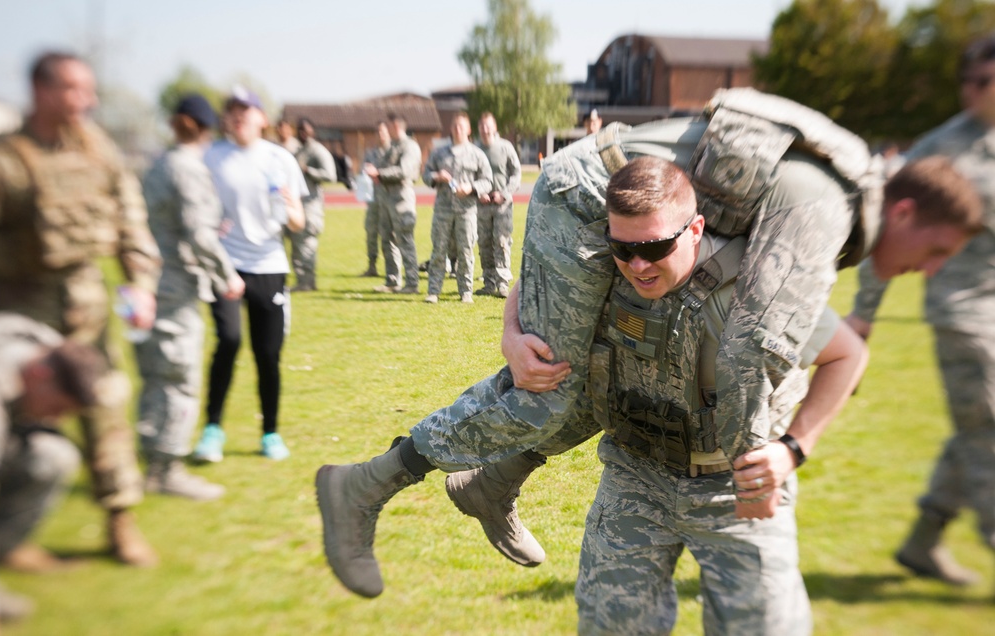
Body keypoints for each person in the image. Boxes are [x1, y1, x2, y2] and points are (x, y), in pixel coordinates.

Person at [316, 88, 983, 598]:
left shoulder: (827, 192)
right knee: (543, 390)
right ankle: (364, 485)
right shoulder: (825, 205)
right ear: (902, 213)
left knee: (627, 372)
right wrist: (752, 469)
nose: (930, 270)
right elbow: (759, 346)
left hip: (633, 218)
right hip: (592, 199)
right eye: (936, 251)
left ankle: (495, 481)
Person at [574, 158, 865, 634]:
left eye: (656, 246)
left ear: (695, 229)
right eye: (623, 247)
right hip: (636, 477)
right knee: (610, 626)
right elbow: (535, 286)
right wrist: (512, 336)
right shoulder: (611, 268)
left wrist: (793, 449)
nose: (638, 264)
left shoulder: (755, 290)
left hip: (737, 488)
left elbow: (847, 355)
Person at [0, 51, 161, 567]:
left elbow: (129, 214)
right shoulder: (8, 159)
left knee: (106, 407)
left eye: (88, 89)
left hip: (86, 304)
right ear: (42, 91)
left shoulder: (99, 149)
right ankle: (11, 535)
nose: (86, 100)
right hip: (23, 306)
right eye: (73, 89)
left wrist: (141, 280)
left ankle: (120, 520)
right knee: (19, 422)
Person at [848, 35, 995, 587]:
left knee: (976, 423)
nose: (971, 91)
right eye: (968, 80)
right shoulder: (943, 150)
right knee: (988, 421)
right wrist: (863, 314)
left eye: (984, 80)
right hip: (963, 309)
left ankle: (924, 540)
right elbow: (888, 228)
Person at [136, 94, 244, 500]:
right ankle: (167, 469)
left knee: (155, 375)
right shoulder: (188, 167)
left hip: (148, 285)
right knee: (178, 376)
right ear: (204, 126)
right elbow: (199, 234)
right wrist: (227, 275)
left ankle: (151, 461)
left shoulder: (159, 164)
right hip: (175, 287)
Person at [192, 86, 307, 463]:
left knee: (267, 354)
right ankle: (212, 430)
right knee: (227, 340)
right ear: (225, 118)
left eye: (247, 109)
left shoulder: (279, 159)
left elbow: (298, 221)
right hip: (226, 265)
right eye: (233, 109)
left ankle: (270, 433)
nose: (239, 115)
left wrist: (291, 213)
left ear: (262, 117)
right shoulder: (211, 157)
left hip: (269, 266)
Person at [0, 313, 107, 625]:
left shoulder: (45, 347)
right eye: (57, 408)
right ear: (40, 374)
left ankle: (7, 548)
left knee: (54, 455)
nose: (56, 419)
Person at [421, 112, 492, 304]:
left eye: (461, 126)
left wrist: (471, 188)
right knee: (438, 250)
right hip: (443, 210)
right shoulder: (439, 153)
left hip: (466, 210)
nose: (457, 129)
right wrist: (437, 177)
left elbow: (488, 182)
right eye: (454, 126)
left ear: (468, 129)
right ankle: (433, 291)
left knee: (466, 250)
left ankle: (466, 291)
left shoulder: (477, 154)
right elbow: (425, 175)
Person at [366, 113, 421, 295]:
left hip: (401, 200)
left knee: (404, 240)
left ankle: (412, 282)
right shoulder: (393, 147)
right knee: (387, 240)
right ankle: (392, 280)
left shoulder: (409, 146)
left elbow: (404, 170)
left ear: (396, 126)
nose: (387, 130)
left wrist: (379, 173)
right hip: (386, 200)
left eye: (389, 126)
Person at [475, 112, 521, 298]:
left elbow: (516, 174)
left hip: (502, 206)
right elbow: (470, 176)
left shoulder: (505, 147)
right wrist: (479, 193)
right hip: (482, 205)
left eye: (488, 126)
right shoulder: (476, 150)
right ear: (479, 128)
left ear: (494, 127)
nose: (485, 130)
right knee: (484, 243)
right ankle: (489, 283)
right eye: (482, 126)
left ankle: (503, 284)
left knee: (501, 242)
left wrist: (504, 193)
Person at [288, 117, 336, 292]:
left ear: (312, 132)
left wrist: (309, 170)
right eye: (299, 129)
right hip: (298, 205)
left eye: (305, 130)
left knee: (307, 245)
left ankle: (308, 282)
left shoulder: (318, 151)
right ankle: (302, 281)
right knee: (296, 246)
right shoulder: (299, 150)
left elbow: (330, 175)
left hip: (311, 206)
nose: (301, 133)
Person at [361, 121, 391, 278]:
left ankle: (391, 269)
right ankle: (371, 266)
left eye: (383, 132)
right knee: (371, 231)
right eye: (378, 132)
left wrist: (380, 174)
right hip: (373, 199)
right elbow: (363, 171)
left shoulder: (392, 152)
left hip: (388, 198)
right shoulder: (370, 153)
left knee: (389, 234)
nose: (381, 135)